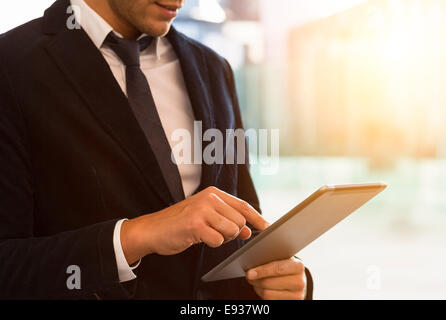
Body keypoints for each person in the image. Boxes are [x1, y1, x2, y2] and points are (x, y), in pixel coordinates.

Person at [0, 0, 312, 299]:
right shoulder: (12, 66)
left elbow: (244, 223)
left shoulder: (213, 67)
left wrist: (281, 278)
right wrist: (138, 235)